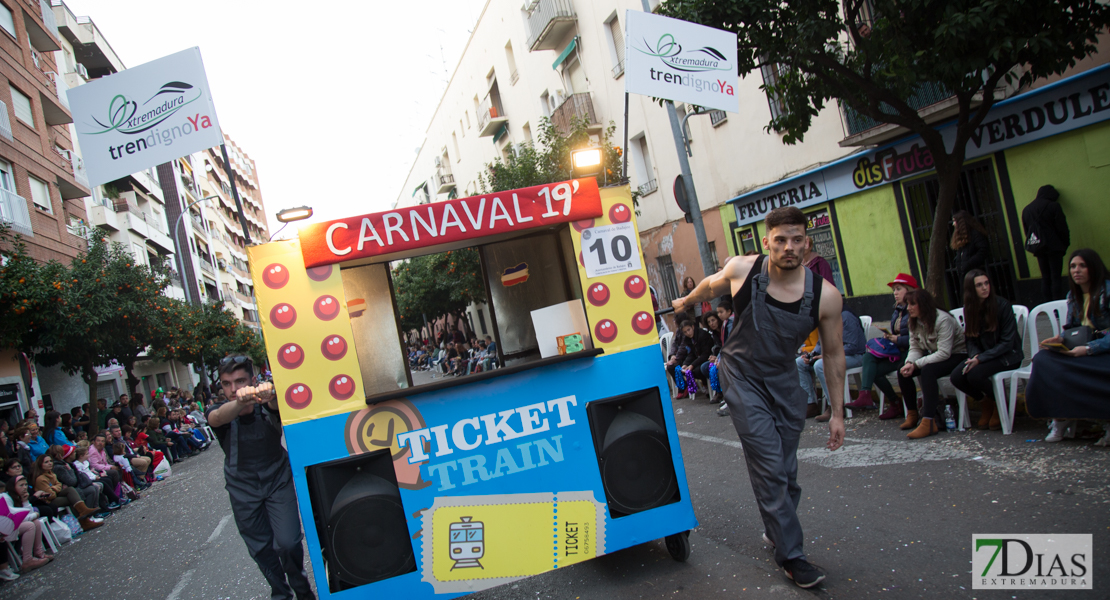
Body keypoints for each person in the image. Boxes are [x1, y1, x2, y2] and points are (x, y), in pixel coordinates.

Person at [673, 207, 845, 589]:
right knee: (769, 463)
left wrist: (838, 413)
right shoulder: (743, 270)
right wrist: (686, 302)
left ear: (806, 242)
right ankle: (792, 556)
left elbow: (834, 355)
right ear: (766, 240)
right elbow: (710, 286)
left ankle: (776, 529)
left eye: (797, 239)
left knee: (786, 470)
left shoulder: (825, 296)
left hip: (784, 381)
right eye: (780, 240)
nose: (789, 247)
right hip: (741, 375)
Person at [206, 355, 315, 600]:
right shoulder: (218, 411)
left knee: (288, 542)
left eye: (240, 381)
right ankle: (280, 593)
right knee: (261, 550)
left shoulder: (265, 407)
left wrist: (272, 392)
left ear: (253, 380)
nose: (233, 389)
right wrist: (240, 401)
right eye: (226, 384)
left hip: (277, 480)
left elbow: (278, 404)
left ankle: (302, 589)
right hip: (242, 488)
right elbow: (218, 418)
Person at [1026, 249, 1110, 446]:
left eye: (1082, 266)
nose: (1076, 271)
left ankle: (1106, 421)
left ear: (1093, 267)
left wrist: (1090, 349)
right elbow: (1073, 330)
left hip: (1102, 350)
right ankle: (1061, 418)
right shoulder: (1073, 296)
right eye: (1073, 266)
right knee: (1043, 360)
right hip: (1080, 349)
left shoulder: (1107, 290)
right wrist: (1059, 340)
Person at [949, 270, 1024, 430]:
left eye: (986, 283)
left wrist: (981, 359)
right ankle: (986, 401)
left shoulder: (1002, 305)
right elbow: (970, 339)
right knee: (957, 376)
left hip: (1008, 355)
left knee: (975, 374)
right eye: (979, 285)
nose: (984, 288)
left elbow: (1007, 343)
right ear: (971, 289)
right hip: (983, 355)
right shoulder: (970, 308)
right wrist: (975, 355)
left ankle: (1000, 402)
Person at [897, 289, 968, 439]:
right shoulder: (913, 321)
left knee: (928, 371)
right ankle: (912, 413)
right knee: (902, 372)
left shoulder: (943, 320)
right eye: (907, 304)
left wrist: (917, 364)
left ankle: (928, 421)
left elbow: (944, 353)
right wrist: (909, 363)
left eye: (912, 304)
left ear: (923, 305)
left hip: (957, 355)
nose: (908, 308)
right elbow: (915, 347)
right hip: (936, 355)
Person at [848, 274, 916, 416]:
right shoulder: (897, 310)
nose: (895, 293)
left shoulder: (914, 310)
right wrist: (889, 336)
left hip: (912, 352)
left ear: (909, 290)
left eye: (898, 289)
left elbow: (917, 338)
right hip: (898, 350)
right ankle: (867, 395)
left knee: (875, 371)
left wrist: (897, 339)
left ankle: (895, 403)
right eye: (894, 290)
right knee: (869, 358)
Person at [798, 305, 867, 422]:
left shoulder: (846, 316)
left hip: (854, 356)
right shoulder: (827, 317)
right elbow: (820, 343)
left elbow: (851, 347)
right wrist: (812, 354)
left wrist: (827, 355)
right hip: (833, 355)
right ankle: (810, 404)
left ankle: (835, 407)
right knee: (799, 363)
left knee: (820, 365)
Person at [1021, 184, 1070, 301]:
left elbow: (1027, 230)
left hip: (1038, 247)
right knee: (1056, 277)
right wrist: (1064, 244)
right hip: (1055, 247)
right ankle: (1058, 303)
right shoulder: (1053, 206)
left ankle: (1048, 305)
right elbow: (1062, 227)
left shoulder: (1027, 209)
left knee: (1045, 277)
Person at [2, 475, 52, 572]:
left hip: (11, 526)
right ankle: (27, 560)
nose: (24, 487)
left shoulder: (17, 497)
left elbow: (28, 514)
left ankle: (39, 553)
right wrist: (34, 515)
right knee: (30, 525)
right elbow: (18, 518)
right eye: (21, 485)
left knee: (36, 522)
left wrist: (25, 502)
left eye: (25, 485)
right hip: (4, 528)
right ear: (13, 487)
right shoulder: (6, 497)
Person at [673, 319, 714, 398]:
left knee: (698, 370)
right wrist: (686, 364)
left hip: (708, 357)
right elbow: (691, 353)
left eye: (689, 330)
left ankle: (707, 386)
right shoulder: (687, 339)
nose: (688, 333)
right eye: (685, 332)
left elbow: (705, 354)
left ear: (693, 327)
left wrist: (692, 365)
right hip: (699, 358)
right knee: (682, 369)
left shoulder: (702, 335)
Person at [951, 210, 990, 289]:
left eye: (955, 221)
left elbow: (983, 251)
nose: (953, 224)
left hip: (975, 274)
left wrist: (968, 263)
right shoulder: (962, 238)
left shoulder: (975, 235)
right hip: (965, 274)